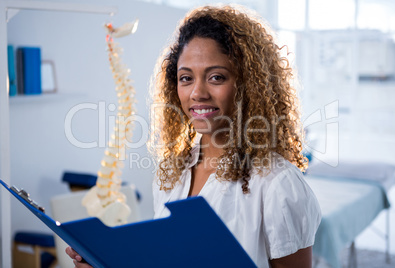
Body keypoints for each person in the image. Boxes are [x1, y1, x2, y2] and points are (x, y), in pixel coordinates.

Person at [66, 4, 321, 268]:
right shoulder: (171, 173)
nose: (197, 93)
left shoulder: (278, 184)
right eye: (186, 78)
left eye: (216, 77)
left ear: (248, 84)